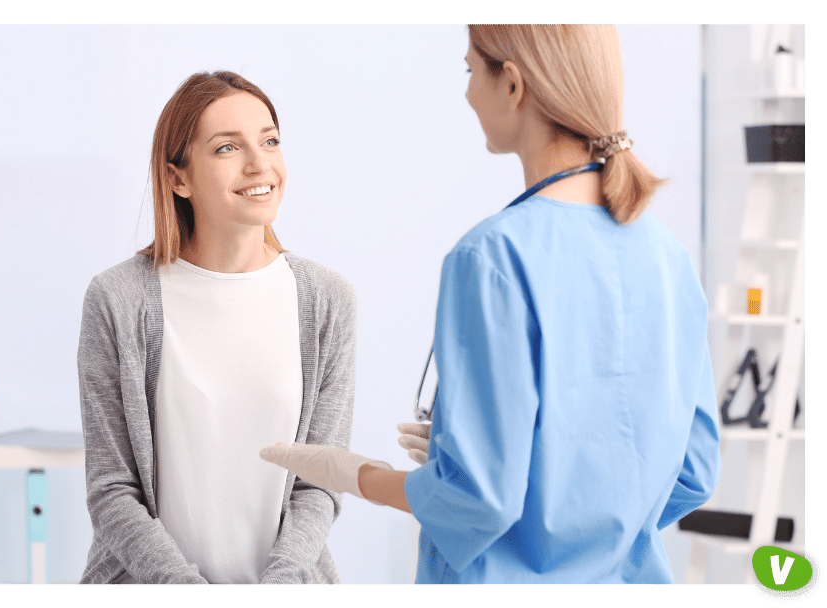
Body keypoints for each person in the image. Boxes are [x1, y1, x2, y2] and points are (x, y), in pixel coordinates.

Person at [261, 24, 721, 584]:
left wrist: (358, 474)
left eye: (471, 70)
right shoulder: (667, 256)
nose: (467, 93)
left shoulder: (491, 258)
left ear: (513, 85)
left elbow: (478, 502)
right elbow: (692, 472)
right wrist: (539, 472)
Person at [78, 71, 357, 585]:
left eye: (269, 140)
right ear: (177, 179)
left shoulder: (325, 300)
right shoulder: (118, 300)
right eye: (228, 147)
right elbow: (112, 490)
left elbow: (319, 484)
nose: (260, 164)